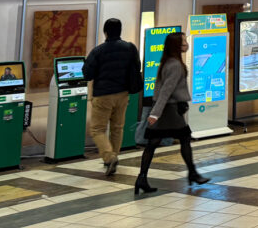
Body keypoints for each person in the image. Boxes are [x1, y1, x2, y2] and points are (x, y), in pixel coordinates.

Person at [135, 31, 209, 195]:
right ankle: (193, 173)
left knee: (154, 143)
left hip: (169, 109)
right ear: (176, 46)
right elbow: (166, 91)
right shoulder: (175, 65)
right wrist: (155, 114)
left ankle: (142, 178)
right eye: (183, 42)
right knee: (183, 138)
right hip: (169, 110)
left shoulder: (168, 61)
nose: (186, 44)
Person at [83, 18, 141, 177]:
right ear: (120, 31)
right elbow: (137, 67)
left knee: (97, 129)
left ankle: (109, 157)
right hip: (123, 94)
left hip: (103, 95)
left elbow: (87, 74)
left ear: (105, 31)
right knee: (117, 128)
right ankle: (114, 157)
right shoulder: (130, 48)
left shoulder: (98, 51)